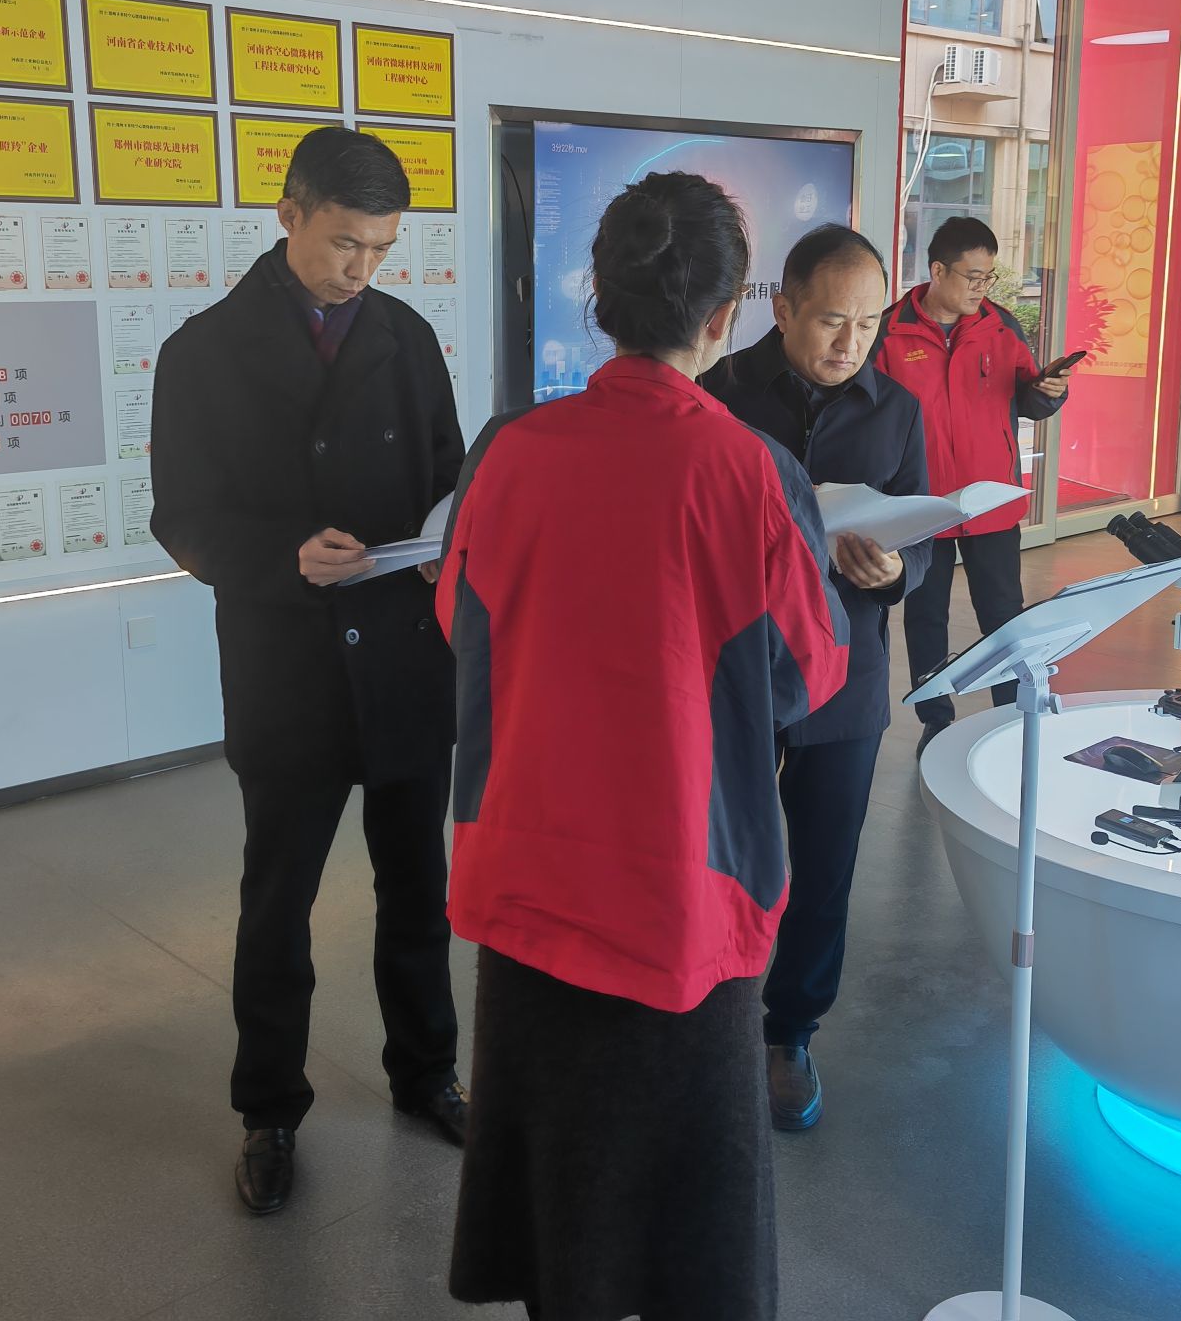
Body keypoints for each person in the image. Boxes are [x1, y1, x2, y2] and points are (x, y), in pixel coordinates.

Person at [437, 172, 849, 1320]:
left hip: (527, 865)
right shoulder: (751, 472)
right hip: (683, 883)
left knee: (559, 1195)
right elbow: (804, 674)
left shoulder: (506, 451)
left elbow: (457, 621)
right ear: (723, 317)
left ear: (600, 297)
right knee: (690, 1219)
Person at [150, 126, 469, 1218]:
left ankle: (427, 1072)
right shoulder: (202, 352)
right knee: (276, 903)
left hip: (405, 658)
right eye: (343, 243)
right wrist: (283, 558)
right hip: (286, 664)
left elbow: (449, 477)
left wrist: (445, 543)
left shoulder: (406, 337)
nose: (360, 269)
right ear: (288, 215)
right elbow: (182, 516)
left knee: (417, 892)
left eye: (380, 249)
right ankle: (269, 1111)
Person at [699, 224, 930, 1133]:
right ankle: (710, 1016)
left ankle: (790, 1032)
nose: (850, 342)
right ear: (783, 307)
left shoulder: (897, 410)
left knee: (826, 865)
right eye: (833, 320)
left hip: (847, 673)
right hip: (740, 669)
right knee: (723, 854)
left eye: (869, 325)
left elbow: (922, 541)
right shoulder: (717, 391)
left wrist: (894, 571)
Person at [876, 216, 1069, 753]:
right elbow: (869, 412)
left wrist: (1048, 392)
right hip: (922, 506)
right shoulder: (890, 332)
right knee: (925, 618)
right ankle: (936, 720)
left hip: (991, 501)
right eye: (973, 277)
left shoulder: (1001, 326)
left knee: (1003, 616)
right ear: (937, 271)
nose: (982, 288)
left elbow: (1027, 398)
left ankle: (1009, 716)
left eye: (989, 277)